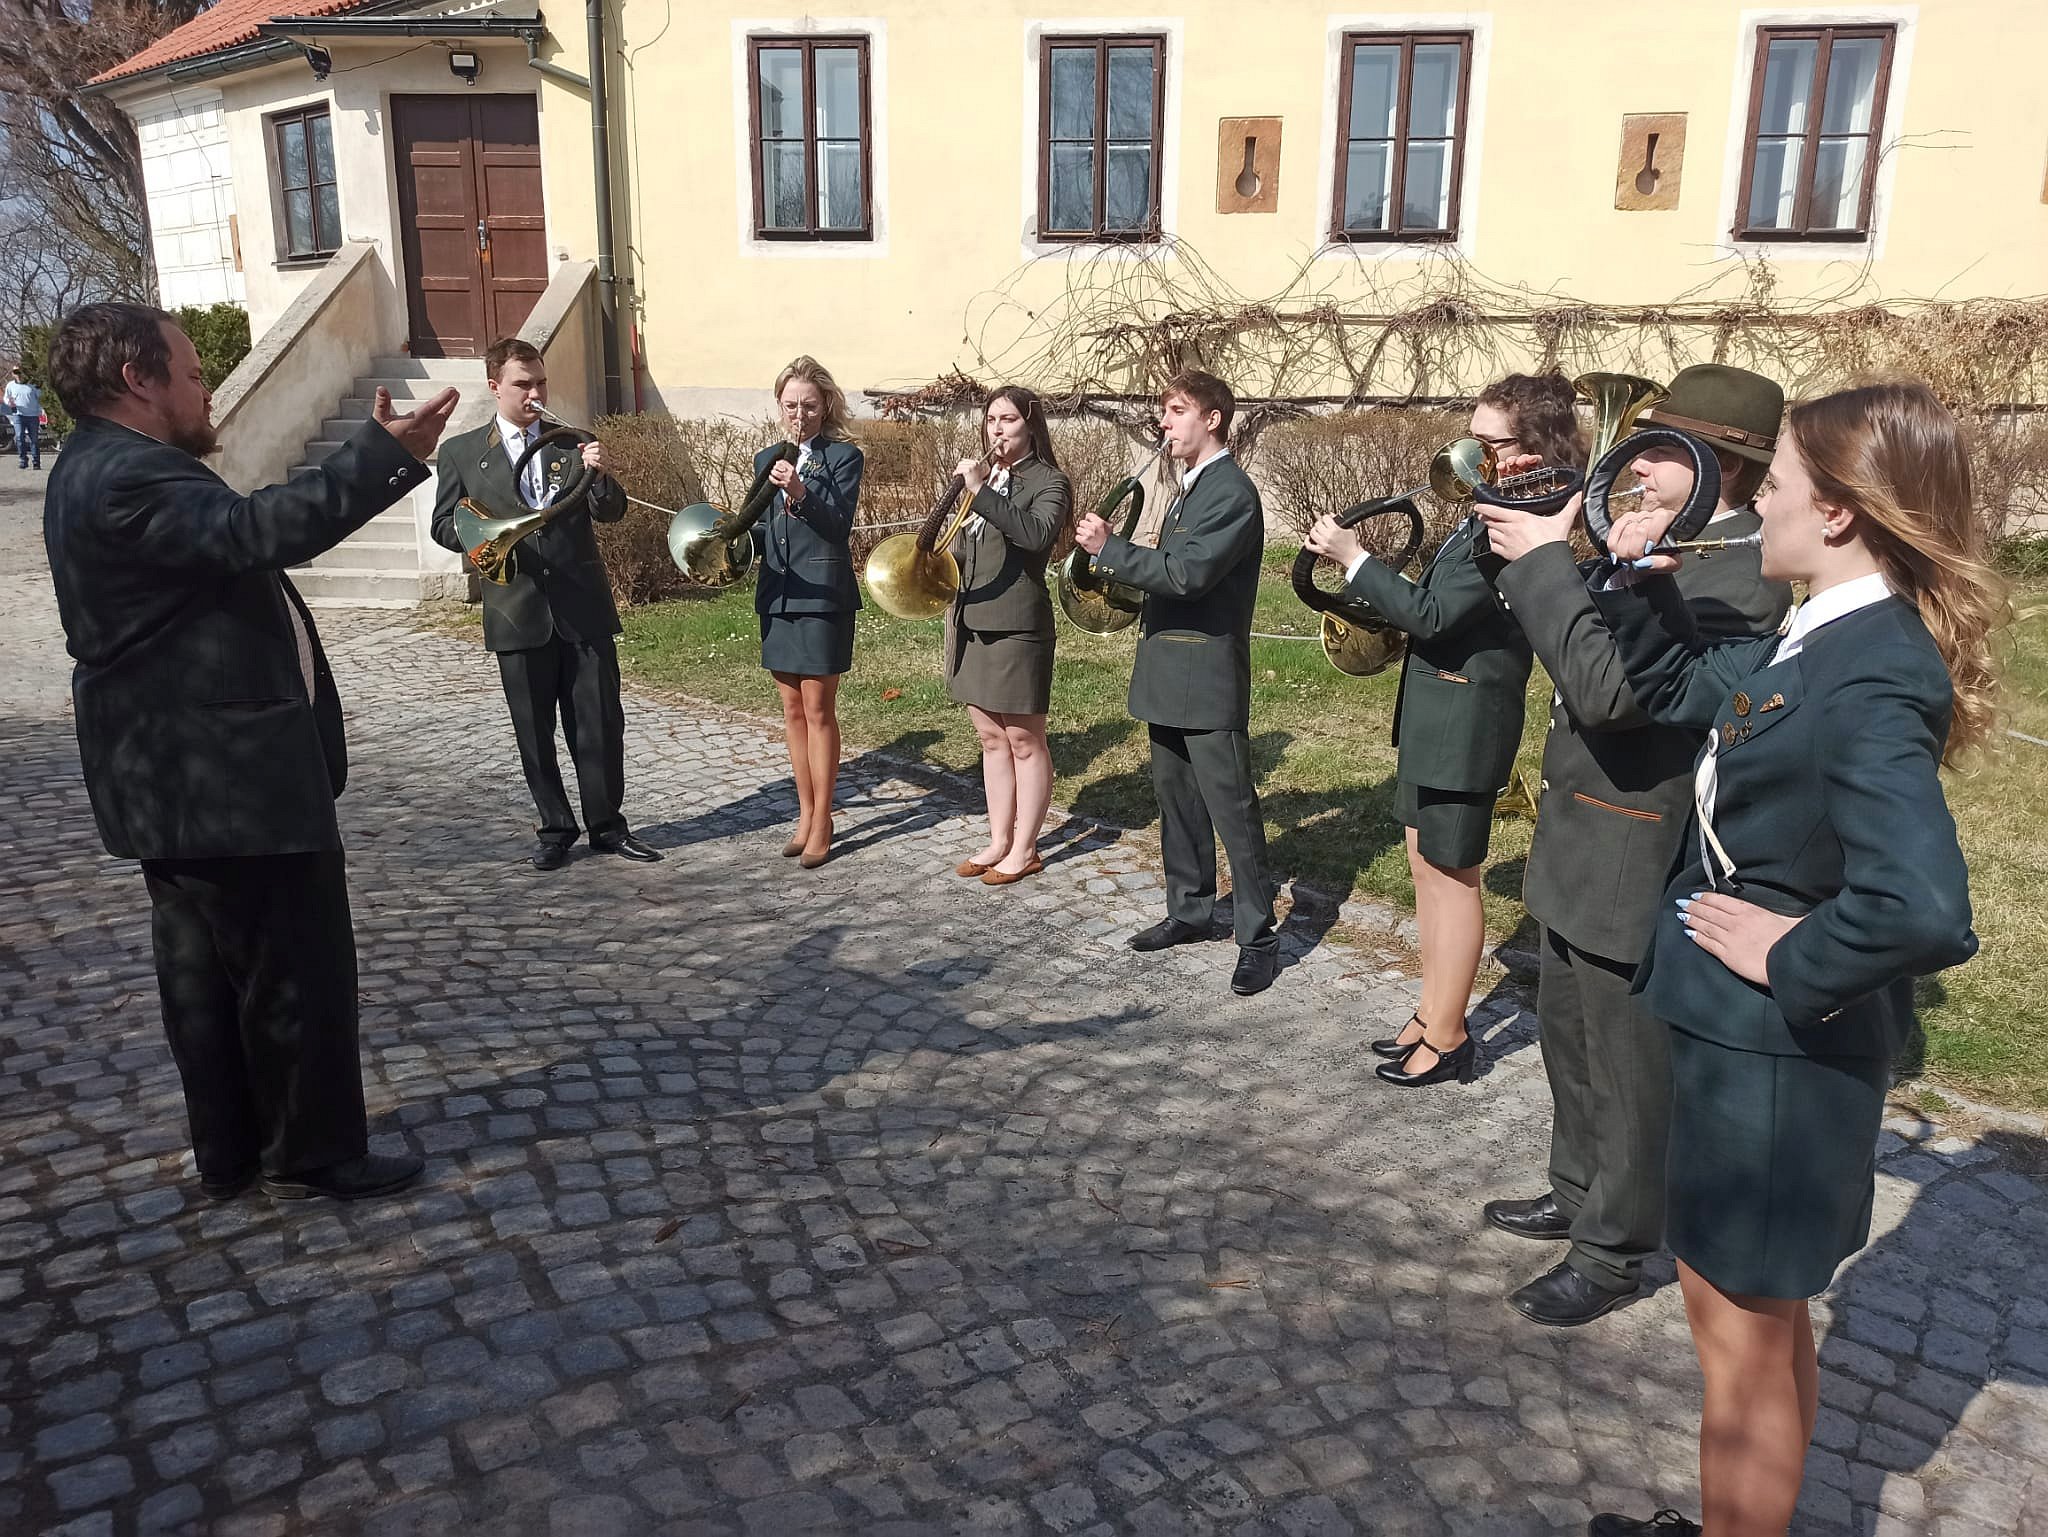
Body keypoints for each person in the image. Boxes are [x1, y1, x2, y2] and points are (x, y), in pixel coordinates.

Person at [1579, 380, 1994, 1537]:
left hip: (1775, 1059)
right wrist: (1638, 583)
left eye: (1775, 486)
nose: (1754, 504)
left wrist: (1794, 948)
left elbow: (1923, 906)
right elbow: (1682, 690)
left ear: (1839, 511)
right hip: (1749, 1049)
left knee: (1737, 1340)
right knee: (1759, 1326)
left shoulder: (1868, 667)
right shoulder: (1824, 633)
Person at [41, 302, 456, 1201]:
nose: (206, 392)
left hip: (180, 780)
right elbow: (256, 531)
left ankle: (231, 1150)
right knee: (292, 967)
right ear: (137, 380)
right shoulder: (129, 474)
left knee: (204, 976)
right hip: (226, 780)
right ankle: (312, 1151)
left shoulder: (92, 465)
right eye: (192, 375)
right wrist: (383, 456)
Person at [1475, 365, 1794, 1329]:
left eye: (1660, 452)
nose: (1636, 467)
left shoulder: (1742, 572)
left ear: (1723, 467)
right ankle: (1577, 1188)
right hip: (1584, 821)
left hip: (1636, 836)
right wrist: (1550, 558)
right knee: (1566, 1028)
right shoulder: (1668, 542)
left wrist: (1546, 563)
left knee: (1627, 1061)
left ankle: (1612, 1247)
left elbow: (1613, 694)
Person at [1304, 373, 1576, 1086]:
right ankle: (1432, 1011)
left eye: (1489, 442)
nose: (1471, 453)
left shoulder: (1516, 516)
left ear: (1533, 445)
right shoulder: (1488, 504)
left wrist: (1354, 558)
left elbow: (1432, 616)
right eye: (1471, 437)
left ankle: (1451, 1036)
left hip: (1468, 721)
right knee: (1425, 864)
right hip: (1438, 713)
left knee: (1453, 876)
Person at [1073, 369, 1281, 996]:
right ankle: (1190, 910)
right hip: (1167, 668)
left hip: (1207, 675)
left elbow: (1189, 575)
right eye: (1164, 411)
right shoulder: (1190, 487)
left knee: (1232, 810)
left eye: (1177, 411)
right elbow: (1167, 571)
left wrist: (1111, 550)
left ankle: (1258, 936)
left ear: (1212, 419)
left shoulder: (1232, 492)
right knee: (1176, 800)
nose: (1164, 423)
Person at [430, 338, 659, 871]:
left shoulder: (573, 443)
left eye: (541, 382)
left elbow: (610, 512)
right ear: (495, 387)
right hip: (515, 609)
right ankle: (555, 828)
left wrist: (601, 474)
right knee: (533, 732)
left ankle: (607, 826)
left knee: (600, 723)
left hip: (582, 607)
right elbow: (444, 525)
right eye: (522, 384)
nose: (535, 393)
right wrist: (488, 538)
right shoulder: (461, 452)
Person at [947, 386, 1071, 886]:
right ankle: (999, 839)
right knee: (991, 739)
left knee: (1023, 739)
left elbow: (1036, 535)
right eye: (991, 420)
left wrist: (981, 493)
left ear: (1031, 425)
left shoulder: (1050, 481)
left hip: (1018, 624)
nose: (997, 429)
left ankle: (1026, 847)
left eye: (1009, 420)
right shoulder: (987, 478)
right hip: (973, 618)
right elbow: (965, 548)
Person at [755, 356, 864, 869]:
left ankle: (824, 818)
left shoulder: (843, 457)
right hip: (778, 593)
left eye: (810, 406)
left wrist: (798, 489)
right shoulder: (765, 458)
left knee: (819, 709)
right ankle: (804, 812)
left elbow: (838, 525)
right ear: (780, 406)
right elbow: (762, 526)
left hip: (822, 595)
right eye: (791, 405)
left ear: (826, 407)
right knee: (792, 711)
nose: (799, 415)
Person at [7, 365, 44, 469]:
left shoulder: (32, 385)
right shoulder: (10, 385)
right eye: (15, 372)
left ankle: (36, 462)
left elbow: (41, 397)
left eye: (19, 372)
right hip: (18, 415)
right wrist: (9, 402)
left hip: (32, 416)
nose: (18, 375)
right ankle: (23, 460)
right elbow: (6, 397)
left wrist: (41, 410)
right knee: (19, 436)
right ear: (13, 374)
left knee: (34, 439)